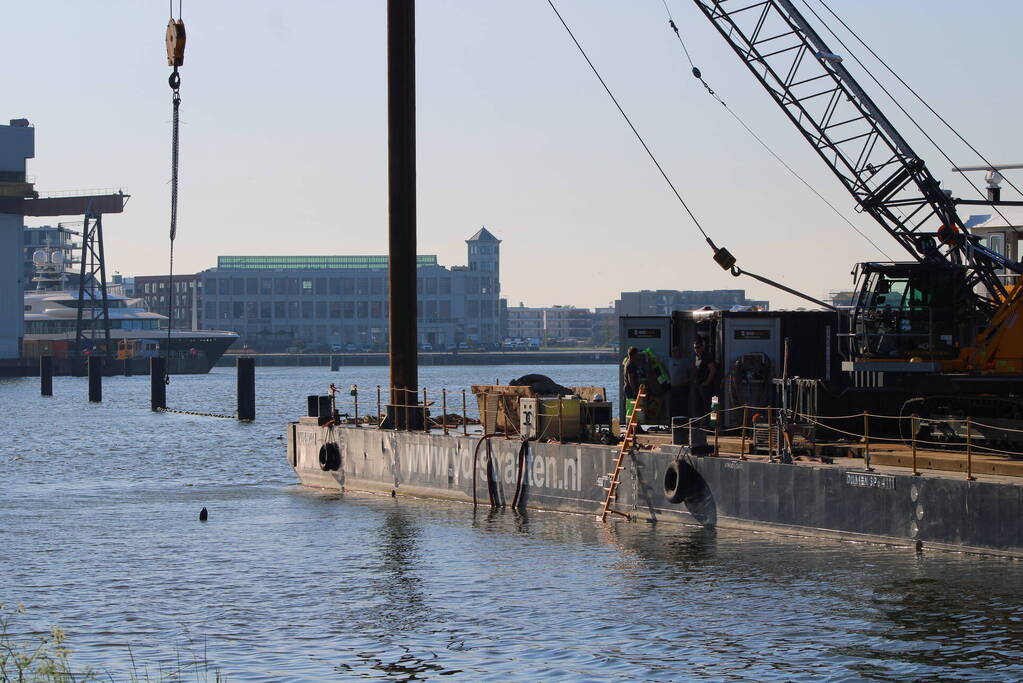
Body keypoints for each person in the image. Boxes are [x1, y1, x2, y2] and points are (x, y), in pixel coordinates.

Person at [689, 336, 718, 421]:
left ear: (702, 347)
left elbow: (713, 370)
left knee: (709, 406)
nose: (696, 349)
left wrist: (706, 382)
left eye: (698, 347)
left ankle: (712, 424)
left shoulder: (706, 357)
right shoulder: (696, 357)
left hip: (706, 387)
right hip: (697, 385)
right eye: (695, 347)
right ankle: (701, 423)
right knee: (699, 406)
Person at [666, 346, 689, 422]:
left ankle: (683, 422)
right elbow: (658, 361)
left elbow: (692, 370)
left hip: (682, 387)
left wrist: (689, 379)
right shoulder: (669, 360)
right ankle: (673, 422)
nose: (674, 353)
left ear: (679, 352)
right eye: (673, 352)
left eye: (676, 351)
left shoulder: (685, 361)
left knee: (682, 405)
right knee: (672, 406)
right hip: (672, 387)